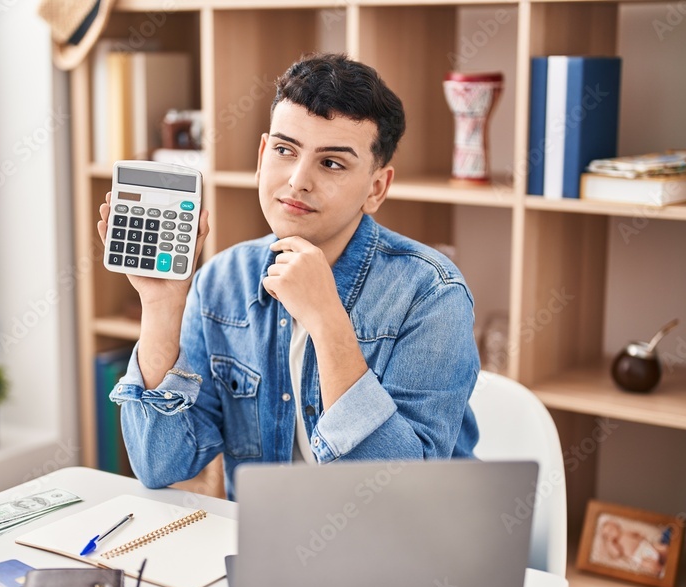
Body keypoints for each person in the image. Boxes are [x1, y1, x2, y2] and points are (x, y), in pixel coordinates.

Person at [99, 53, 479, 499]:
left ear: (376, 188)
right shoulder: (220, 281)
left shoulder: (432, 294)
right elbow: (161, 467)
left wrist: (328, 322)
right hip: (267, 548)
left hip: (400, 555)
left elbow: (403, 497)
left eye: (331, 163)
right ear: (262, 156)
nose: (298, 181)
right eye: (285, 150)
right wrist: (161, 309)